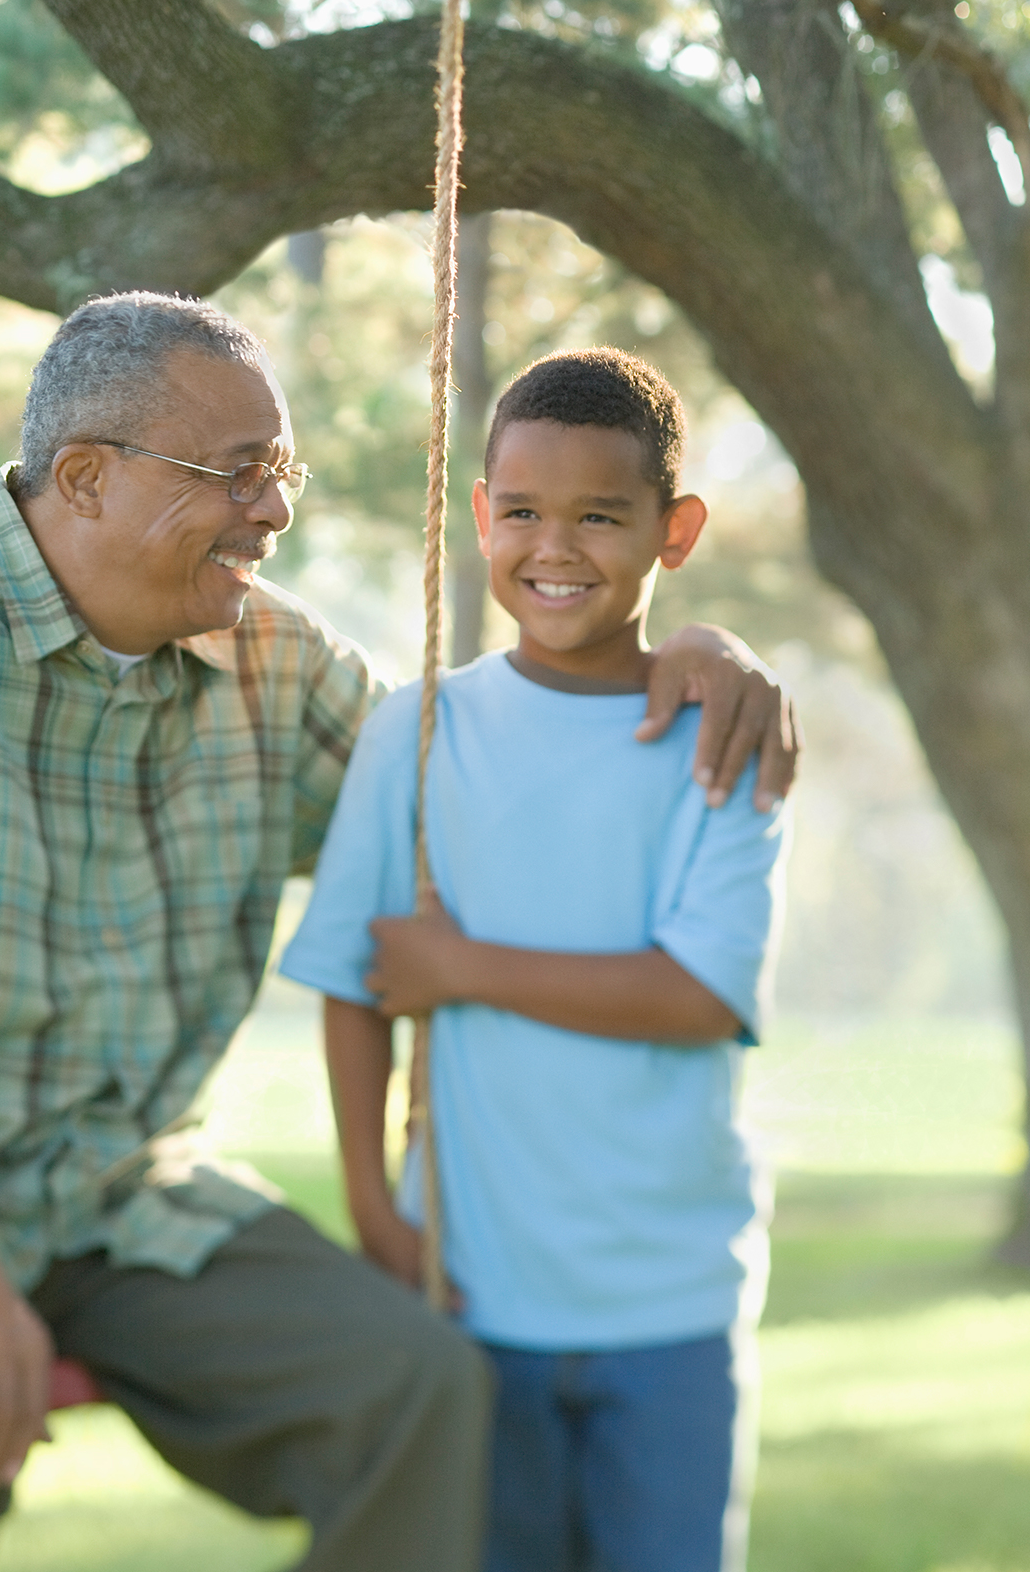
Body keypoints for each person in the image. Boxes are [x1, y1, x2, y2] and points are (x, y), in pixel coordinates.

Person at [0, 295, 799, 1572]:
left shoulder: (273, 666)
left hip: (114, 1189)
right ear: (84, 478)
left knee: (415, 1383)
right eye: (238, 474)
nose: (276, 511)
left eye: (281, 472)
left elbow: (496, 771)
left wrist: (693, 650)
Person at [278, 347, 790, 1572]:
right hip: (472, 1294)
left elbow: (697, 993)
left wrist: (464, 967)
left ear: (676, 531)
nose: (554, 547)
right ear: (479, 517)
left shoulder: (720, 743)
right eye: (523, 512)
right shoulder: (420, 729)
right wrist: (369, 1207)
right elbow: (355, 981)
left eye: (600, 516)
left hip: (666, 1299)